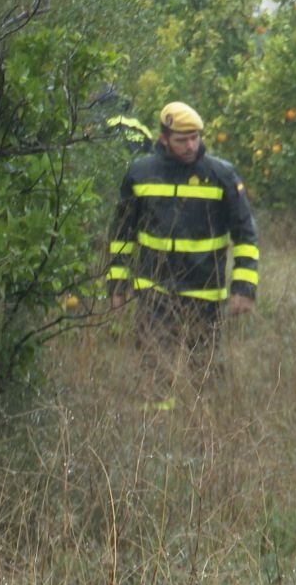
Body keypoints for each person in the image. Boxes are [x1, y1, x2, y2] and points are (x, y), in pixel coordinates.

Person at [106, 102, 259, 408]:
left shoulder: (222, 174)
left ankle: (204, 434)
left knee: (204, 372)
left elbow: (245, 234)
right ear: (164, 138)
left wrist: (244, 288)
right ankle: (158, 432)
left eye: (195, 137)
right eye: (182, 139)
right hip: (154, 292)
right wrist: (117, 287)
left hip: (206, 294)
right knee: (155, 370)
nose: (190, 146)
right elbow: (122, 236)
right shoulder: (139, 174)